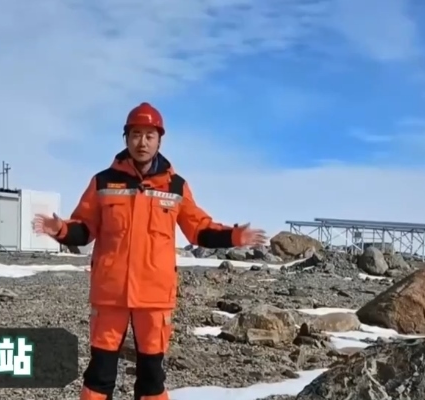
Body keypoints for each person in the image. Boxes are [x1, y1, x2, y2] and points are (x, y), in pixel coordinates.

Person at [34, 102, 266, 400]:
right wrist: (61, 229)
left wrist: (234, 236)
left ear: (159, 140)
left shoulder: (176, 187)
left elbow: (198, 229)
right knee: (99, 375)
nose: (142, 142)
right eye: (135, 134)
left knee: (152, 378)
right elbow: (84, 228)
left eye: (149, 135)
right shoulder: (103, 182)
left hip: (155, 298)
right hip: (110, 295)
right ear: (126, 138)